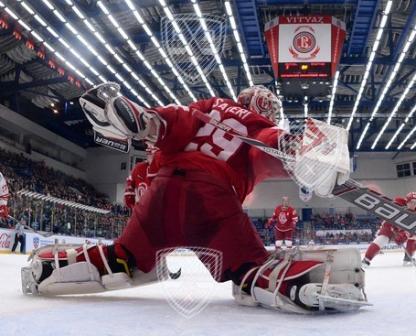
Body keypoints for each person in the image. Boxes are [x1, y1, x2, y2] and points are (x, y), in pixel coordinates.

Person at [22, 83, 365, 313]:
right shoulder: (258, 125)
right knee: (247, 267)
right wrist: (300, 150)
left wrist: (143, 120)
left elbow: (169, 125)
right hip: (210, 201)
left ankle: (48, 269)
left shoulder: (205, 108)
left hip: (159, 198)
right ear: (260, 105)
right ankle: (305, 285)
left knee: (124, 258)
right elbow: (269, 145)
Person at [362, 192, 416, 267]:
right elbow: (387, 217)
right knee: (381, 239)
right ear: (407, 201)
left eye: (415, 203)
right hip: (389, 227)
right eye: (411, 202)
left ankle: (408, 259)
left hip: (403, 231)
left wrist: (405, 235)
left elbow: (415, 228)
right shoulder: (397, 204)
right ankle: (366, 260)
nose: (413, 204)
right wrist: (393, 228)